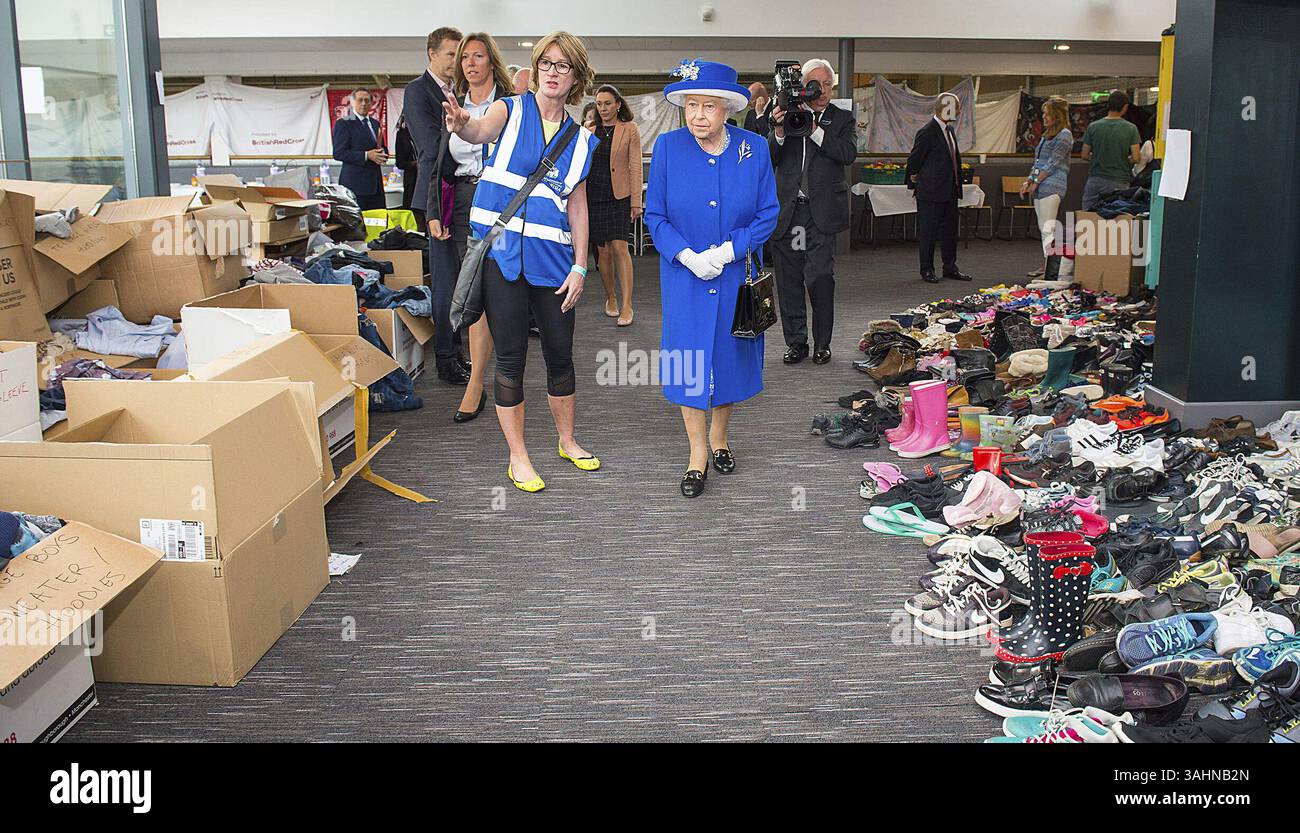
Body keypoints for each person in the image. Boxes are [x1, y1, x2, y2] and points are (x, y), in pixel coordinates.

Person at [443, 31, 600, 493]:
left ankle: (567, 441)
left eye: (563, 66)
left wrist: (580, 266)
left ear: (576, 77)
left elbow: (577, 206)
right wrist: (460, 124)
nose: (553, 73)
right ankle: (518, 456)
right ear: (536, 69)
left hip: (554, 265)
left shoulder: (582, 139)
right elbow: (478, 130)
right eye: (546, 64)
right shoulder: (508, 110)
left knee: (561, 356)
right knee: (510, 357)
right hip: (503, 259)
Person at [646, 60, 779, 498]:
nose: (698, 115)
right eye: (691, 105)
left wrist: (728, 250)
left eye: (708, 106)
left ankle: (720, 437)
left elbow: (768, 214)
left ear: (728, 109)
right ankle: (696, 453)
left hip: (735, 274)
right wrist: (685, 254)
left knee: (727, 357)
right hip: (684, 276)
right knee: (688, 361)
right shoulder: (667, 147)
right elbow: (656, 215)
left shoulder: (754, 148)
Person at [768, 58, 856, 366]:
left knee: (820, 277)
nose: (822, 90)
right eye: (815, 84)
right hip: (792, 216)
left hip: (821, 216)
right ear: (803, 86)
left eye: (828, 84)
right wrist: (779, 129)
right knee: (789, 279)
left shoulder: (842, 119)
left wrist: (816, 130)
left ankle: (822, 343)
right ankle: (797, 343)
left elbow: (847, 154)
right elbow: (771, 158)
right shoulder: (787, 112)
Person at [444, 32, 513, 422]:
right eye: (465, 57)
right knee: (471, 293)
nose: (470, 63)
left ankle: (501, 374)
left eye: (478, 56)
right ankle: (477, 381)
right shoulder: (454, 105)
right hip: (465, 202)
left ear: (491, 62)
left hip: (503, 204)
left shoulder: (510, 105)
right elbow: (441, 163)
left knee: (498, 291)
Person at [404, 27, 470, 386]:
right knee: (445, 281)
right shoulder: (418, 91)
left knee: (460, 281)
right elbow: (432, 146)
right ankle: (446, 359)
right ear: (431, 53)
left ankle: (456, 352)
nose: (456, 61)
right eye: (450, 54)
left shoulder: (456, 92)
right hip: (437, 197)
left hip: (458, 195)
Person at [588, 84, 642, 327]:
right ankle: (610, 297)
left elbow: (636, 166)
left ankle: (627, 304)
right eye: (599, 104)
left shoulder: (629, 129)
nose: (603, 108)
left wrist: (636, 202)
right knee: (604, 253)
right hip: (594, 196)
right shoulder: (588, 130)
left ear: (618, 104)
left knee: (620, 247)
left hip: (619, 196)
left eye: (607, 103)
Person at [906, 92, 972, 284]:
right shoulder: (927, 132)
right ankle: (926, 269)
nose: (959, 111)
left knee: (950, 232)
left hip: (949, 191)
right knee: (928, 233)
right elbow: (914, 160)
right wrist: (915, 184)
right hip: (931, 192)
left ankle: (950, 267)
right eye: (956, 107)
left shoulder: (949, 131)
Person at [1020, 96, 1073, 279]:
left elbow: (1052, 163)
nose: (1044, 117)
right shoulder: (1046, 135)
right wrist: (1029, 181)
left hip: (1053, 186)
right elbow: (1038, 162)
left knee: (1047, 228)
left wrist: (1035, 181)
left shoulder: (1065, 135)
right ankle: (1047, 265)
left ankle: (1052, 268)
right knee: (1044, 227)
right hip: (1041, 187)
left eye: (1047, 114)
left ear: (1057, 116)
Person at [1081, 90, 1141, 211]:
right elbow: (1136, 158)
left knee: (1087, 217)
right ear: (1125, 107)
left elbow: (1084, 155)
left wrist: (1099, 157)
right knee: (1115, 221)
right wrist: (1122, 160)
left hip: (1095, 179)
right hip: (1120, 181)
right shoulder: (1131, 128)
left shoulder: (1093, 126)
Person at [331, 90, 388, 211]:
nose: (363, 103)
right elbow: (338, 153)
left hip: (376, 186)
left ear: (371, 103)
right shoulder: (344, 123)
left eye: (367, 100)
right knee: (359, 226)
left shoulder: (375, 123)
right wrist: (366, 155)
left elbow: (381, 147)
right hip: (355, 186)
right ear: (352, 102)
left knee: (380, 223)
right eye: (360, 100)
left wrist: (383, 154)